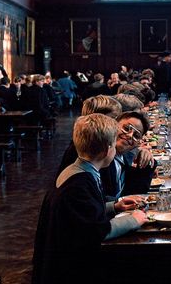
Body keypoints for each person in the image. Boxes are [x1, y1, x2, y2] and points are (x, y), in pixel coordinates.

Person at [32, 114, 147, 283]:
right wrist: (134, 220)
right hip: (70, 268)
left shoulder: (79, 170)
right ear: (108, 150)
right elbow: (96, 230)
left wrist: (114, 206)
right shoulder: (78, 184)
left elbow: (84, 212)